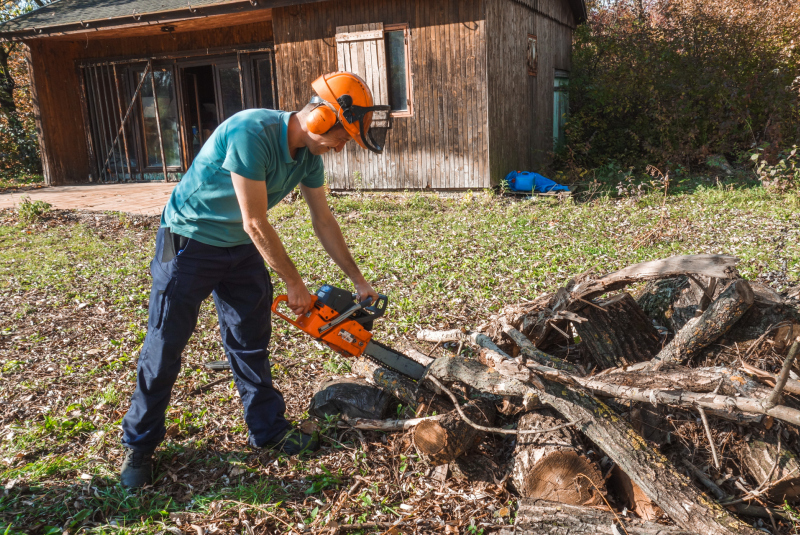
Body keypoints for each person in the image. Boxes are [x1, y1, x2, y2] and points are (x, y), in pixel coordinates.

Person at [119, 72, 391, 488]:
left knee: (251, 339)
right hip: (190, 241)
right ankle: (140, 445)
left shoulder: (308, 159)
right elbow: (255, 221)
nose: (340, 147)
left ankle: (267, 430)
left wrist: (358, 280)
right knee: (165, 345)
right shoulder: (252, 130)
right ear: (320, 119)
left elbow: (324, 220)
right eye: (341, 136)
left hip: (239, 247)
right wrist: (294, 283)